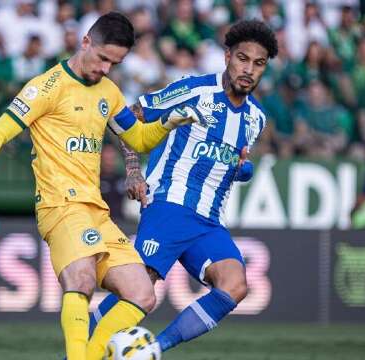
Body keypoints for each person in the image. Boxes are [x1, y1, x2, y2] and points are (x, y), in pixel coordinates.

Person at [0, 12, 200, 360]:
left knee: (142, 294)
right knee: (81, 280)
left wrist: (168, 122)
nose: (106, 69)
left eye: (115, 63)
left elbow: (137, 139)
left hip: (96, 211)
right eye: (103, 58)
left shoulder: (109, 91)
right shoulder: (47, 86)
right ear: (85, 42)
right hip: (60, 205)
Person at [90, 19, 277, 354]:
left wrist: (242, 169)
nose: (249, 69)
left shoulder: (256, 118)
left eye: (258, 63)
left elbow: (234, 166)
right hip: (169, 206)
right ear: (227, 57)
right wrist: (133, 170)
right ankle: (75, 353)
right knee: (137, 293)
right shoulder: (193, 91)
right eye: (242, 59)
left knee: (235, 285)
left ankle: (155, 348)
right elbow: (130, 117)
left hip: (208, 222)